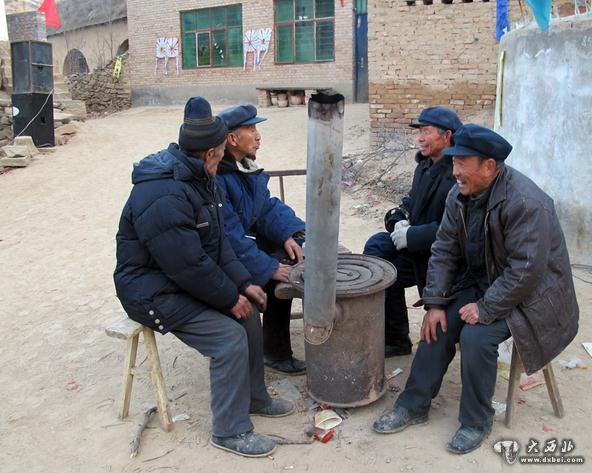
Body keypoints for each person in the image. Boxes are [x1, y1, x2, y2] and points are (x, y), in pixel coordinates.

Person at [373, 124, 579, 454]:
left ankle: (476, 421)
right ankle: (413, 405)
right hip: (485, 281)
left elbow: (526, 271)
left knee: (476, 336)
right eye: (453, 163)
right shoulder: (461, 194)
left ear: (489, 166)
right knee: (436, 325)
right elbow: (444, 249)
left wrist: (485, 308)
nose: (454, 171)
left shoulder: (525, 202)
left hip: (532, 296)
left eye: (462, 163)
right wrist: (436, 302)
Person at [113, 97, 294, 458]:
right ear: (211, 152)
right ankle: (229, 430)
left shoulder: (200, 177)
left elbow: (219, 243)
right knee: (229, 335)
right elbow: (189, 265)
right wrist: (229, 298)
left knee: (250, 314)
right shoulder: (163, 192)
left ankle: (255, 397)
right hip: (149, 290)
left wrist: (245, 283)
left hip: (178, 278)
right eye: (217, 156)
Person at [363, 106, 462, 357]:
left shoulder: (457, 174)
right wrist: (398, 221)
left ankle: (412, 339)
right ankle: (394, 338)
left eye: (426, 131)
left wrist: (413, 236)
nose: (420, 138)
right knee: (377, 252)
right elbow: (411, 202)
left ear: (446, 136)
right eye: (419, 131)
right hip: (415, 247)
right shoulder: (425, 166)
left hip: (439, 255)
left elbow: (456, 229)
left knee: (388, 272)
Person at [216, 103, 306, 375]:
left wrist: (288, 232)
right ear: (232, 139)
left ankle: (274, 348)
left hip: (242, 250)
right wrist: (267, 266)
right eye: (251, 129)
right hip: (225, 262)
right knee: (279, 272)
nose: (258, 136)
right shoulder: (219, 177)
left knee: (291, 252)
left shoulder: (244, 167)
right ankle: (274, 352)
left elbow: (265, 207)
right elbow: (228, 235)